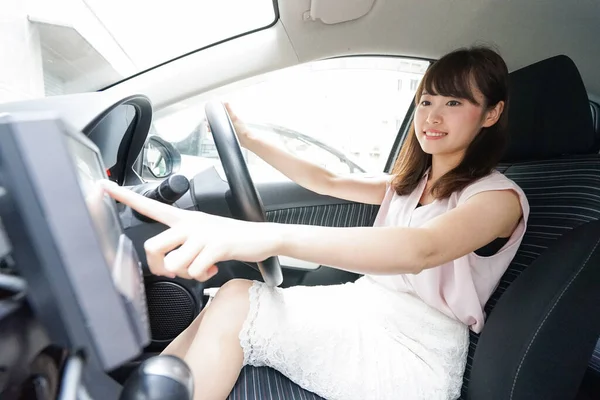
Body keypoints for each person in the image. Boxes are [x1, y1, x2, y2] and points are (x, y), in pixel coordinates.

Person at [102, 46, 529, 400]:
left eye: (453, 103)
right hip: (365, 309)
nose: (432, 117)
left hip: (415, 352)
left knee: (237, 307)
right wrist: (250, 140)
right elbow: (324, 180)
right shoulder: (411, 183)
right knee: (233, 292)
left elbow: (422, 249)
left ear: (491, 114)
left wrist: (268, 236)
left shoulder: (498, 199)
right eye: (426, 101)